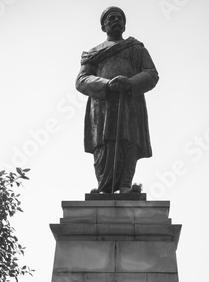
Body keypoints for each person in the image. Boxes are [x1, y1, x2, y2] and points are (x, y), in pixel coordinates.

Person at [76, 6, 159, 194]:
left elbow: (151, 74)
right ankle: (104, 188)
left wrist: (129, 83)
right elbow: (81, 80)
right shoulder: (94, 53)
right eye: (111, 18)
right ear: (103, 26)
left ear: (124, 24)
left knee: (128, 141)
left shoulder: (136, 48)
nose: (116, 21)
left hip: (130, 102)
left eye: (119, 18)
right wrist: (106, 84)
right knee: (104, 145)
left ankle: (125, 186)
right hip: (102, 106)